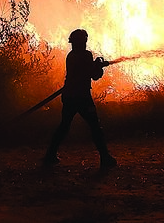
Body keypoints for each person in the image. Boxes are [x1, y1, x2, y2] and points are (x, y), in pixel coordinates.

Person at [43, 29, 117, 169]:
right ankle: (105, 158)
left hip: (69, 96)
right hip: (81, 97)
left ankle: (50, 155)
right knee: (95, 127)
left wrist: (96, 65)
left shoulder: (71, 55)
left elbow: (88, 72)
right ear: (83, 41)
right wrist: (98, 66)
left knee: (64, 126)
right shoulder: (85, 55)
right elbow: (94, 75)